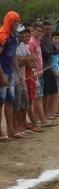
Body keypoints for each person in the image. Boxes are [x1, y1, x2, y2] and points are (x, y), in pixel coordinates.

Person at [0, 11, 24, 141]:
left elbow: (13, 55)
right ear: (9, 22)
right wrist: (2, 75)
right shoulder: (2, 36)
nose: (17, 23)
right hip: (2, 73)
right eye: (15, 21)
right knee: (0, 102)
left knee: (10, 100)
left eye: (18, 21)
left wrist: (18, 72)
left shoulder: (15, 36)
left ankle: (10, 129)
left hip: (11, 73)